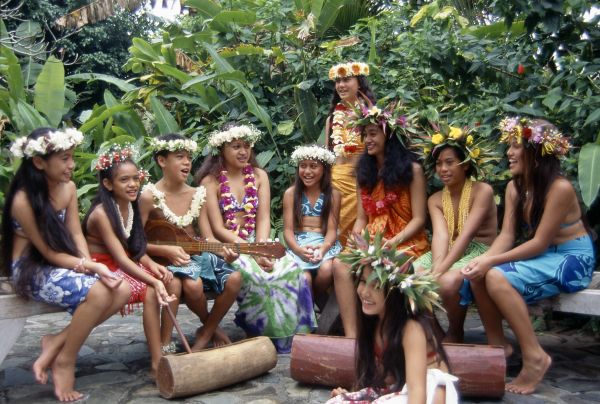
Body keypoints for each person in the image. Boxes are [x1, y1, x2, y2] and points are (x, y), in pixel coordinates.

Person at [461, 117, 595, 394]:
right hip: (545, 255)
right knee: (478, 275)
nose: (508, 153)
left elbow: (539, 243)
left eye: (515, 146)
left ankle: (535, 356)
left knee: (496, 276)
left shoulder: (559, 188)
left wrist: (490, 262)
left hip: (572, 259)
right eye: (508, 146)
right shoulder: (515, 187)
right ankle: (498, 347)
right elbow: (507, 236)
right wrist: (482, 260)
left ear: (535, 153)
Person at [1, 128, 131, 402]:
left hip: (62, 261)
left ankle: (56, 342)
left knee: (121, 289)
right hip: (29, 268)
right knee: (98, 292)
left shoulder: (68, 188)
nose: (71, 165)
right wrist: (90, 268)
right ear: (39, 162)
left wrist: (87, 263)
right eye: (64, 158)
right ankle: (64, 360)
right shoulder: (23, 200)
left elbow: (74, 233)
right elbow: (46, 252)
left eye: (71, 157)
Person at [196, 123, 316, 353]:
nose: (244, 151)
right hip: (227, 247)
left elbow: (263, 219)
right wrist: (253, 251)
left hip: (256, 241)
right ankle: (257, 331)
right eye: (236, 146)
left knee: (290, 268)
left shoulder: (259, 176)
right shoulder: (210, 182)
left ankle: (292, 334)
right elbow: (218, 229)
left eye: (247, 146)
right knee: (255, 274)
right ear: (222, 149)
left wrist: (262, 248)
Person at [333, 103, 429, 337]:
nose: (367, 140)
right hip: (372, 240)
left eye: (373, 134)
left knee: (386, 265)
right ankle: (352, 335)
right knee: (340, 265)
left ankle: (395, 332)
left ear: (389, 135)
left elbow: (419, 219)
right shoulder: (364, 172)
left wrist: (394, 241)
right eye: (365, 135)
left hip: (406, 242)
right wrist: (353, 241)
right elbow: (361, 218)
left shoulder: (412, 171)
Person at [328, 232, 459, 404]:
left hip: (428, 394)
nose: (365, 292)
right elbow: (381, 380)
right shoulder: (372, 322)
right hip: (397, 391)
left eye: (375, 286)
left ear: (394, 292)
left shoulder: (411, 328)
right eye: (362, 281)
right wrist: (349, 395)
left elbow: (418, 392)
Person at [140, 134, 242, 352]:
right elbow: (134, 242)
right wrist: (164, 250)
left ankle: (208, 329)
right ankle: (189, 336)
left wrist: (224, 253)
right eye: (180, 157)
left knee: (234, 278)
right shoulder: (150, 196)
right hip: (163, 258)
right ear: (161, 161)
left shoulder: (198, 194)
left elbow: (208, 238)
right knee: (192, 285)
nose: (187, 162)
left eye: (189, 157)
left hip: (194, 254)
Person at [82, 144, 176, 377]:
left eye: (136, 178)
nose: (133, 184)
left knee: (170, 280)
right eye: (124, 180)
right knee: (153, 289)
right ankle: (156, 362)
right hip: (100, 266)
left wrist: (152, 265)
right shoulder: (102, 213)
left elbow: (134, 248)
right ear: (107, 184)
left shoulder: (129, 206)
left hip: (120, 261)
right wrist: (152, 281)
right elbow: (122, 259)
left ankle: (164, 346)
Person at [413, 123, 497, 343]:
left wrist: (439, 273)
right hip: (448, 248)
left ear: (466, 165)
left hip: (479, 249)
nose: (443, 169)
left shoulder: (483, 191)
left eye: (450, 162)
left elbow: (467, 235)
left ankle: (455, 330)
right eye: (439, 164)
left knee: (448, 282)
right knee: (411, 279)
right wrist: (435, 268)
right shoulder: (436, 199)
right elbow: (441, 236)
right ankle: (436, 331)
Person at [325, 62, 377, 245]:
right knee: (334, 232)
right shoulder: (332, 118)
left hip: (364, 180)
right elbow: (327, 157)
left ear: (360, 82)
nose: (340, 85)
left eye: (346, 79)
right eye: (338, 81)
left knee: (360, 237)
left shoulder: (371, 116)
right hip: (336, 182)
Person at [283, 144, 342, 297]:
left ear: (324, 169)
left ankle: (312, 299)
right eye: (303, 166)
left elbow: (331, 230)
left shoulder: (333, 195)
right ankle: (310, 310)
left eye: (313, 166)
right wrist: (297, 250)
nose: (307, 171)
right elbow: (288, 231)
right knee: (304, 278)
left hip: (325, 243)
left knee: (327, 270)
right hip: (299, 243)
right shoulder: (291, 193)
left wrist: (323, 249)